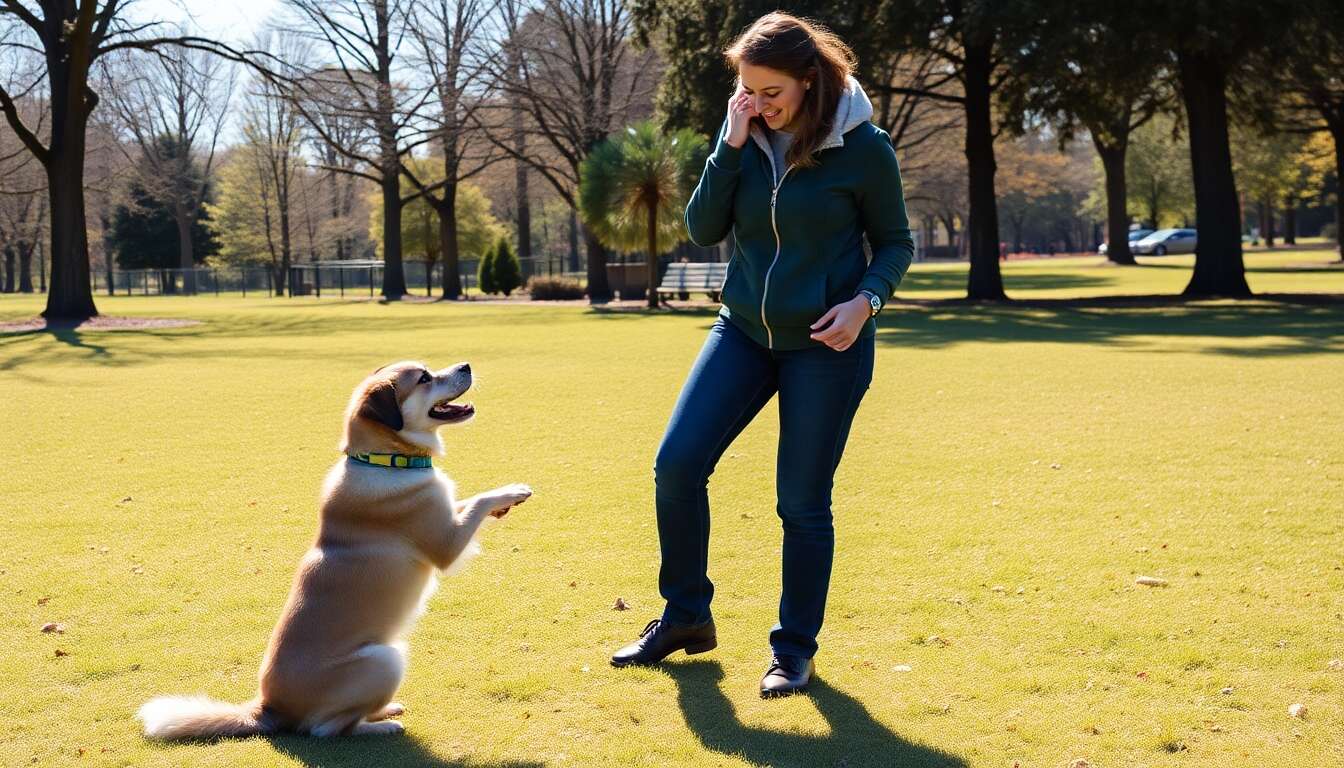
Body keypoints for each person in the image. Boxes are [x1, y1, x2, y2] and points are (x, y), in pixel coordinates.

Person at [609, 12, 915, 698]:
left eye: (771, 92)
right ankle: (686, 615)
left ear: (810, 80)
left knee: (801, 503)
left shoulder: (864, 148)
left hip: (826, 344)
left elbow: (896, 242)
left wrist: (866, 302)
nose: (758, 102)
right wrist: (730, 141)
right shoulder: (743, 136)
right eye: (747, 89)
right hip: (743, 331)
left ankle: (793, 650)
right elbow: (702, 227)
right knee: (676, 465)